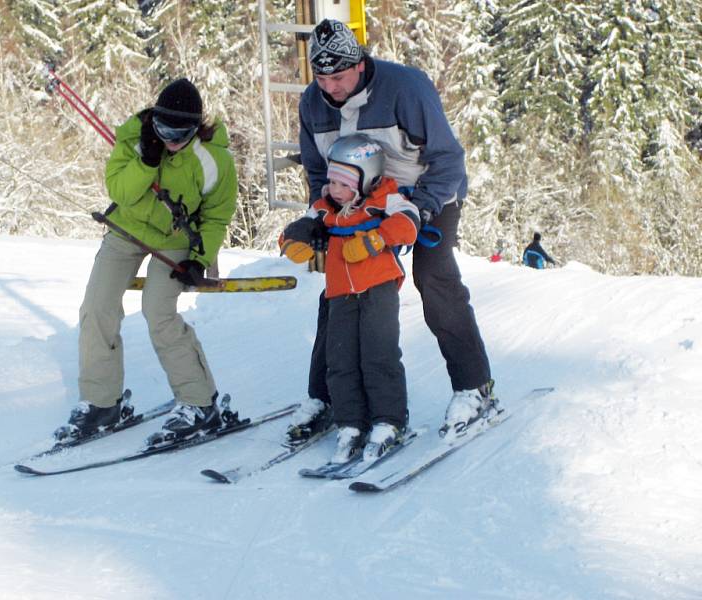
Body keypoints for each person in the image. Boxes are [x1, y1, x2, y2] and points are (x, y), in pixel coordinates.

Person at [286, 18, 500, 443]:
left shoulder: (406, 88)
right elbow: (316, 170)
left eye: (339, 76)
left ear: (360, 64)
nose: (330, 87)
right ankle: (326, 397)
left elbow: (448, 160)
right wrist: (320, 213)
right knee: (340, 288)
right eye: (322, 78)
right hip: (359, 201)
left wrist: (418, 211)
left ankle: (473, 388)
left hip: (427, 193)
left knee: (434, 278)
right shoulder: (313, 103)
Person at [55, 78, 238, 444]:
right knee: (96, 308)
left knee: (158, 312)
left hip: (175, 239)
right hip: (127, 230)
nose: (171, 139)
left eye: (181, 132)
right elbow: (119, 191)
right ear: (154, 119)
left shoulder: (213, 160)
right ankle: (101, 402)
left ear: (196, 128)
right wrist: (147, 160)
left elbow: (216, 216)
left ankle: (199, 403)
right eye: (164, 129)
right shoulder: (134, 140)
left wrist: (199, 259)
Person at [279, 134, 419, 462]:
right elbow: (298, 228)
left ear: (366, 180)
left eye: (343, 183)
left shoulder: (386, 199)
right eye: (331, 181)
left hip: (378, 287)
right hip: (340, 291)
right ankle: (350, 423)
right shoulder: (327, 208)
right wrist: (294, 238)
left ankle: (388, 420)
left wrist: (375, 239)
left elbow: (409, 223)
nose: (334, 189)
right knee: (340, 361)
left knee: (378, 356)